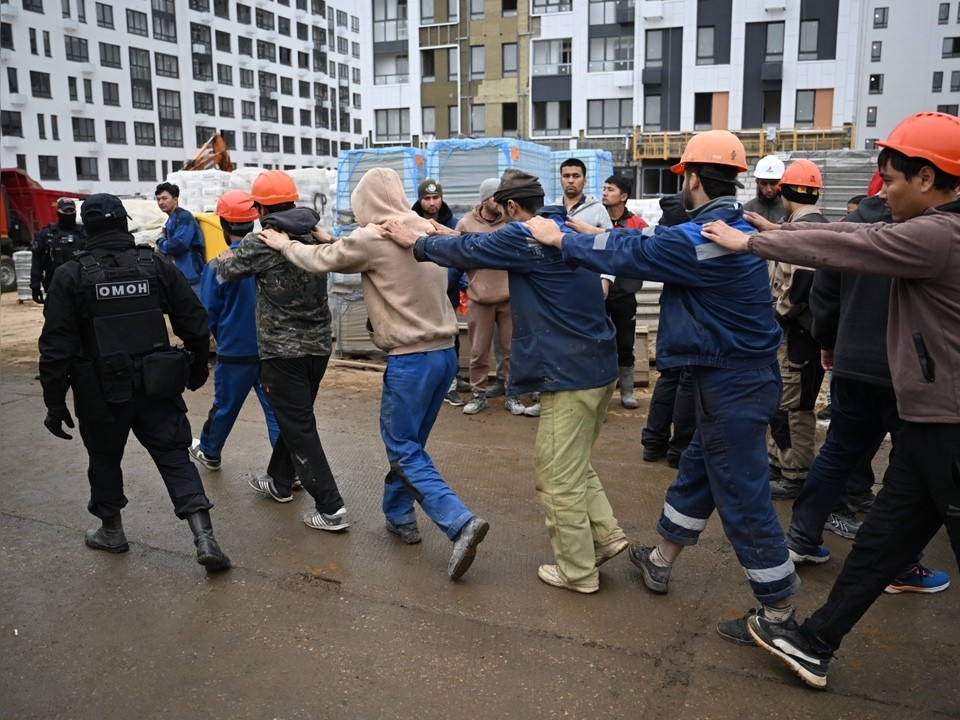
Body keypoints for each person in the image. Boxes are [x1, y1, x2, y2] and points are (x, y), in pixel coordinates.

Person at [700, 111, 960, 689]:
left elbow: (850, 248)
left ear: (927, 178)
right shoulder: (930, 227)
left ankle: (816, 638)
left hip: (949, 428)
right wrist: (772, 232)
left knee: (879, 539)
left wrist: (753, 243)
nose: (882, 192)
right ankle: (816, 641)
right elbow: (853, 231)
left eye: (891, 179)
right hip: (925, 425)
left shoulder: (941, 233)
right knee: (878, 546)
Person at [527, 131, 798, 637]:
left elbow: (638, 253)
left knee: (742, 497)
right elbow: (646, 243)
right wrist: (588, 230)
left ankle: (779, 610)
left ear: (691, 177)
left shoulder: (699, 239)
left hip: (733, 382)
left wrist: (563, 239)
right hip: (733, 379)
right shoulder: (722, 226)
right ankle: (661, 557)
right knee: (697, 471)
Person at [383, 169, 628, 595]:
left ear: (512, 207)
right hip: (598, 366)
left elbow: (473, 248)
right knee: (573, 463)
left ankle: (577, 571)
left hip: (570, 374)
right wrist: (443, 231)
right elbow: (474, 243)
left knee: (555, 475)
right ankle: (605, 537)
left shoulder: (521, 236)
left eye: (502, 209)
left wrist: (417, 243)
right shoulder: (559, 223)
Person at [260, 168, 490, 580]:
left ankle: (459, 522)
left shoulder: (373, 238)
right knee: (413, 442)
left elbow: (319, 261)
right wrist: (335, 240)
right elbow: (363, 257)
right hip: (444, 355)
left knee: (402, 447)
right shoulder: (423, 228)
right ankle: (399, 515)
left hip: (411, 360)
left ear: (365, 202)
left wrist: (283, 243)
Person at [37, 193, 229, 573]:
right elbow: (194, 320)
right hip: (157, 383)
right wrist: (196, 367)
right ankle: (204, 537)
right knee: (175, 457)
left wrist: (54, 401)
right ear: (124, 223)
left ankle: (112, 532)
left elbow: (56, 347)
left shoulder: (71, 275)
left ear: (86, 228)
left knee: (105, 458)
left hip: (100, 389)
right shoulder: (153, 263)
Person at [786, 192, 949, 593]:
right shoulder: (930, 231)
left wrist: (829, 340)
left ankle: (801, 539)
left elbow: (824, 286)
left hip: (853, 361)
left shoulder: (857, 223)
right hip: (908, 368)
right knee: (906, 469)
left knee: (838, 451)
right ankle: (901, 565)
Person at [217, 170, 348, 532]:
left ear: (260, 208)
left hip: (281, 351)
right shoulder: (312, 234)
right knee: (297, 418)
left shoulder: (263, 240)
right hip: (318, 346)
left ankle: (331, 507)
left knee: (300, 426)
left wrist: (227, 252)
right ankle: (278, 481)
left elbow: (229, 271)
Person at [749, 159, 830, 500]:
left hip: (796, 332)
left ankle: (795, 473)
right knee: (783, 401)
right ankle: (780, 463)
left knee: (794, 406)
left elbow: (802, 281)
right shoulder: (810, 225)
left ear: (784, 192)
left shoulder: (802, 231)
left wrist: (779, 316)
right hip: (797, 332)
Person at [189, 190, 280, 473]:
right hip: (271, 350)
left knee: (225, 407)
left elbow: (209, 312)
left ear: (223, 224)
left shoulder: (217, 264)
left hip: (235, 350)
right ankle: (287, 470)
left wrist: (224, 335)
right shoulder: (274, 257)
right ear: (253, 221)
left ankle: (210, 451)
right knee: (278, 413)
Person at [454, 178, 526, 416]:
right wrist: (468, 282)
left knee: (511, 350)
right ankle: (478, 394)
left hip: (508, 297)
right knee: (477, 351)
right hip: (479, 299)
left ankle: (512, 394)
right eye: (498, 198)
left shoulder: (510, 223)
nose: (504, 203)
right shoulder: (465, 224)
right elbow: (455, 256)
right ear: (486, 199)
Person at [640, 192, 695, 468]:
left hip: (670, 310)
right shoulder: (687, 230)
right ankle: (680, 450)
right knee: (687, 379)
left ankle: (653, 442)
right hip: (688, 311)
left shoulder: (664, 230)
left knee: (668, 377)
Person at [412, 178, 467, 407]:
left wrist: (451, 284)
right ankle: (424, 382)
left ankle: (450, 382)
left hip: (447, 292)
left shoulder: (452, 224)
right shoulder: (410, 223)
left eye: (436, 198)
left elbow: (459, 258)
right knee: (420, 337)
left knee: (450, 337)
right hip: (418, 293)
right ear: (420, 200)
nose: (432, 203)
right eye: (427, 198)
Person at [600, 175, 648, 409]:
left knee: (625, 342)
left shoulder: (637, 225)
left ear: (624, 196)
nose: (605, 192)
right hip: (598, 293)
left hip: (625, 294)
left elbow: (646, 253)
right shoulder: (597, 219)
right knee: (597, 343)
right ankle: (600, 392)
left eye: (610, 189)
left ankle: (627, 392)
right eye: (604, 188)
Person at [30, 197, 87, 304]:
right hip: (54, 284)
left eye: (71, 210)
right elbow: (37, 262)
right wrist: (35, 286)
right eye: (66, 211)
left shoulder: (84, 233)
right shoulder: (46, 234)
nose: (69, 213)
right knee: (56, 317)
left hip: (81, 283)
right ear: (58, 212)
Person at [155, 182, 206, 294]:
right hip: (180, 277)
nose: (161, 202)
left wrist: (160, 242)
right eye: (158, 199)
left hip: (192, 276)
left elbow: (177, 246)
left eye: (164, 198)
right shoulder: (170, 220)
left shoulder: (184, 217)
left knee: (197, 310)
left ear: (175, 199)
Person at [743, 154, 786, 223]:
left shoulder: (789, 211)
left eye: (773, 183)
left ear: (781, 183)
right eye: (764, 184)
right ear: (757, 182)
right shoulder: (747, 210)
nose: (769, 189)